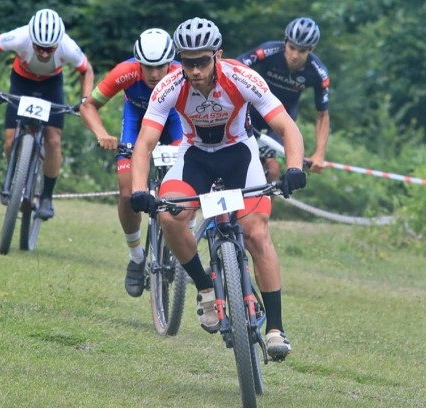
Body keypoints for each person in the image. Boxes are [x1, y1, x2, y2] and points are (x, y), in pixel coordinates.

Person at [129, 17, 307, 360]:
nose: (194, 70)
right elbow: (144, 144)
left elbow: (287, 126)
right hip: (194, 156)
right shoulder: (168, 87)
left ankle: (275, 328)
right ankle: (206, 288)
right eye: (187, 62)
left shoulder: (241, 77)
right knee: (170, 214)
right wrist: (140, 189)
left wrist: (294, 167)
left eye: (202, 61)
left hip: (239, 153)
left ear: (218, 55)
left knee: (255, 231)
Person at [79, 28, 182, 297]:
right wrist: (102, 134)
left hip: (173, 124)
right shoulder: (124, 72)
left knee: (184, 189)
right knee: (127, 193)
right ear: (138, 62)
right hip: (136, 125)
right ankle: (137, 258)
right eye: (147, 66)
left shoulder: (184, 75)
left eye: (160, 66)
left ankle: (184, 245)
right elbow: (88, 106)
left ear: (170, 62)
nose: (154, 74)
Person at [0, 8, 94, 219]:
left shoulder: (67, 46)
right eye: (39, 47)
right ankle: (14, 178)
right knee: (10, 139)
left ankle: (46, 196)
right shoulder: (21, 36)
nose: (44, 53)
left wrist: (86, 100)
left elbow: (87, 70)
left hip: (51, 87)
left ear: (59, 43)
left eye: (50, 49)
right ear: (32, 39)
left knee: (53, 140)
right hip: (22, 83)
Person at [236, 17, 329, 181]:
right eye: (291, 47)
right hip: (255, 110)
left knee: (272, 168)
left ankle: (262, 205)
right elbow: (233, 69)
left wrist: (319, 154)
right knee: (238, 156)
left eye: (302, 51)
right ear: (285, 41)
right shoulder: (268, 51)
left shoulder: (318, 72)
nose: (294, 55)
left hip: (283, 118)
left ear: (311, 49)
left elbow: (322, 115)